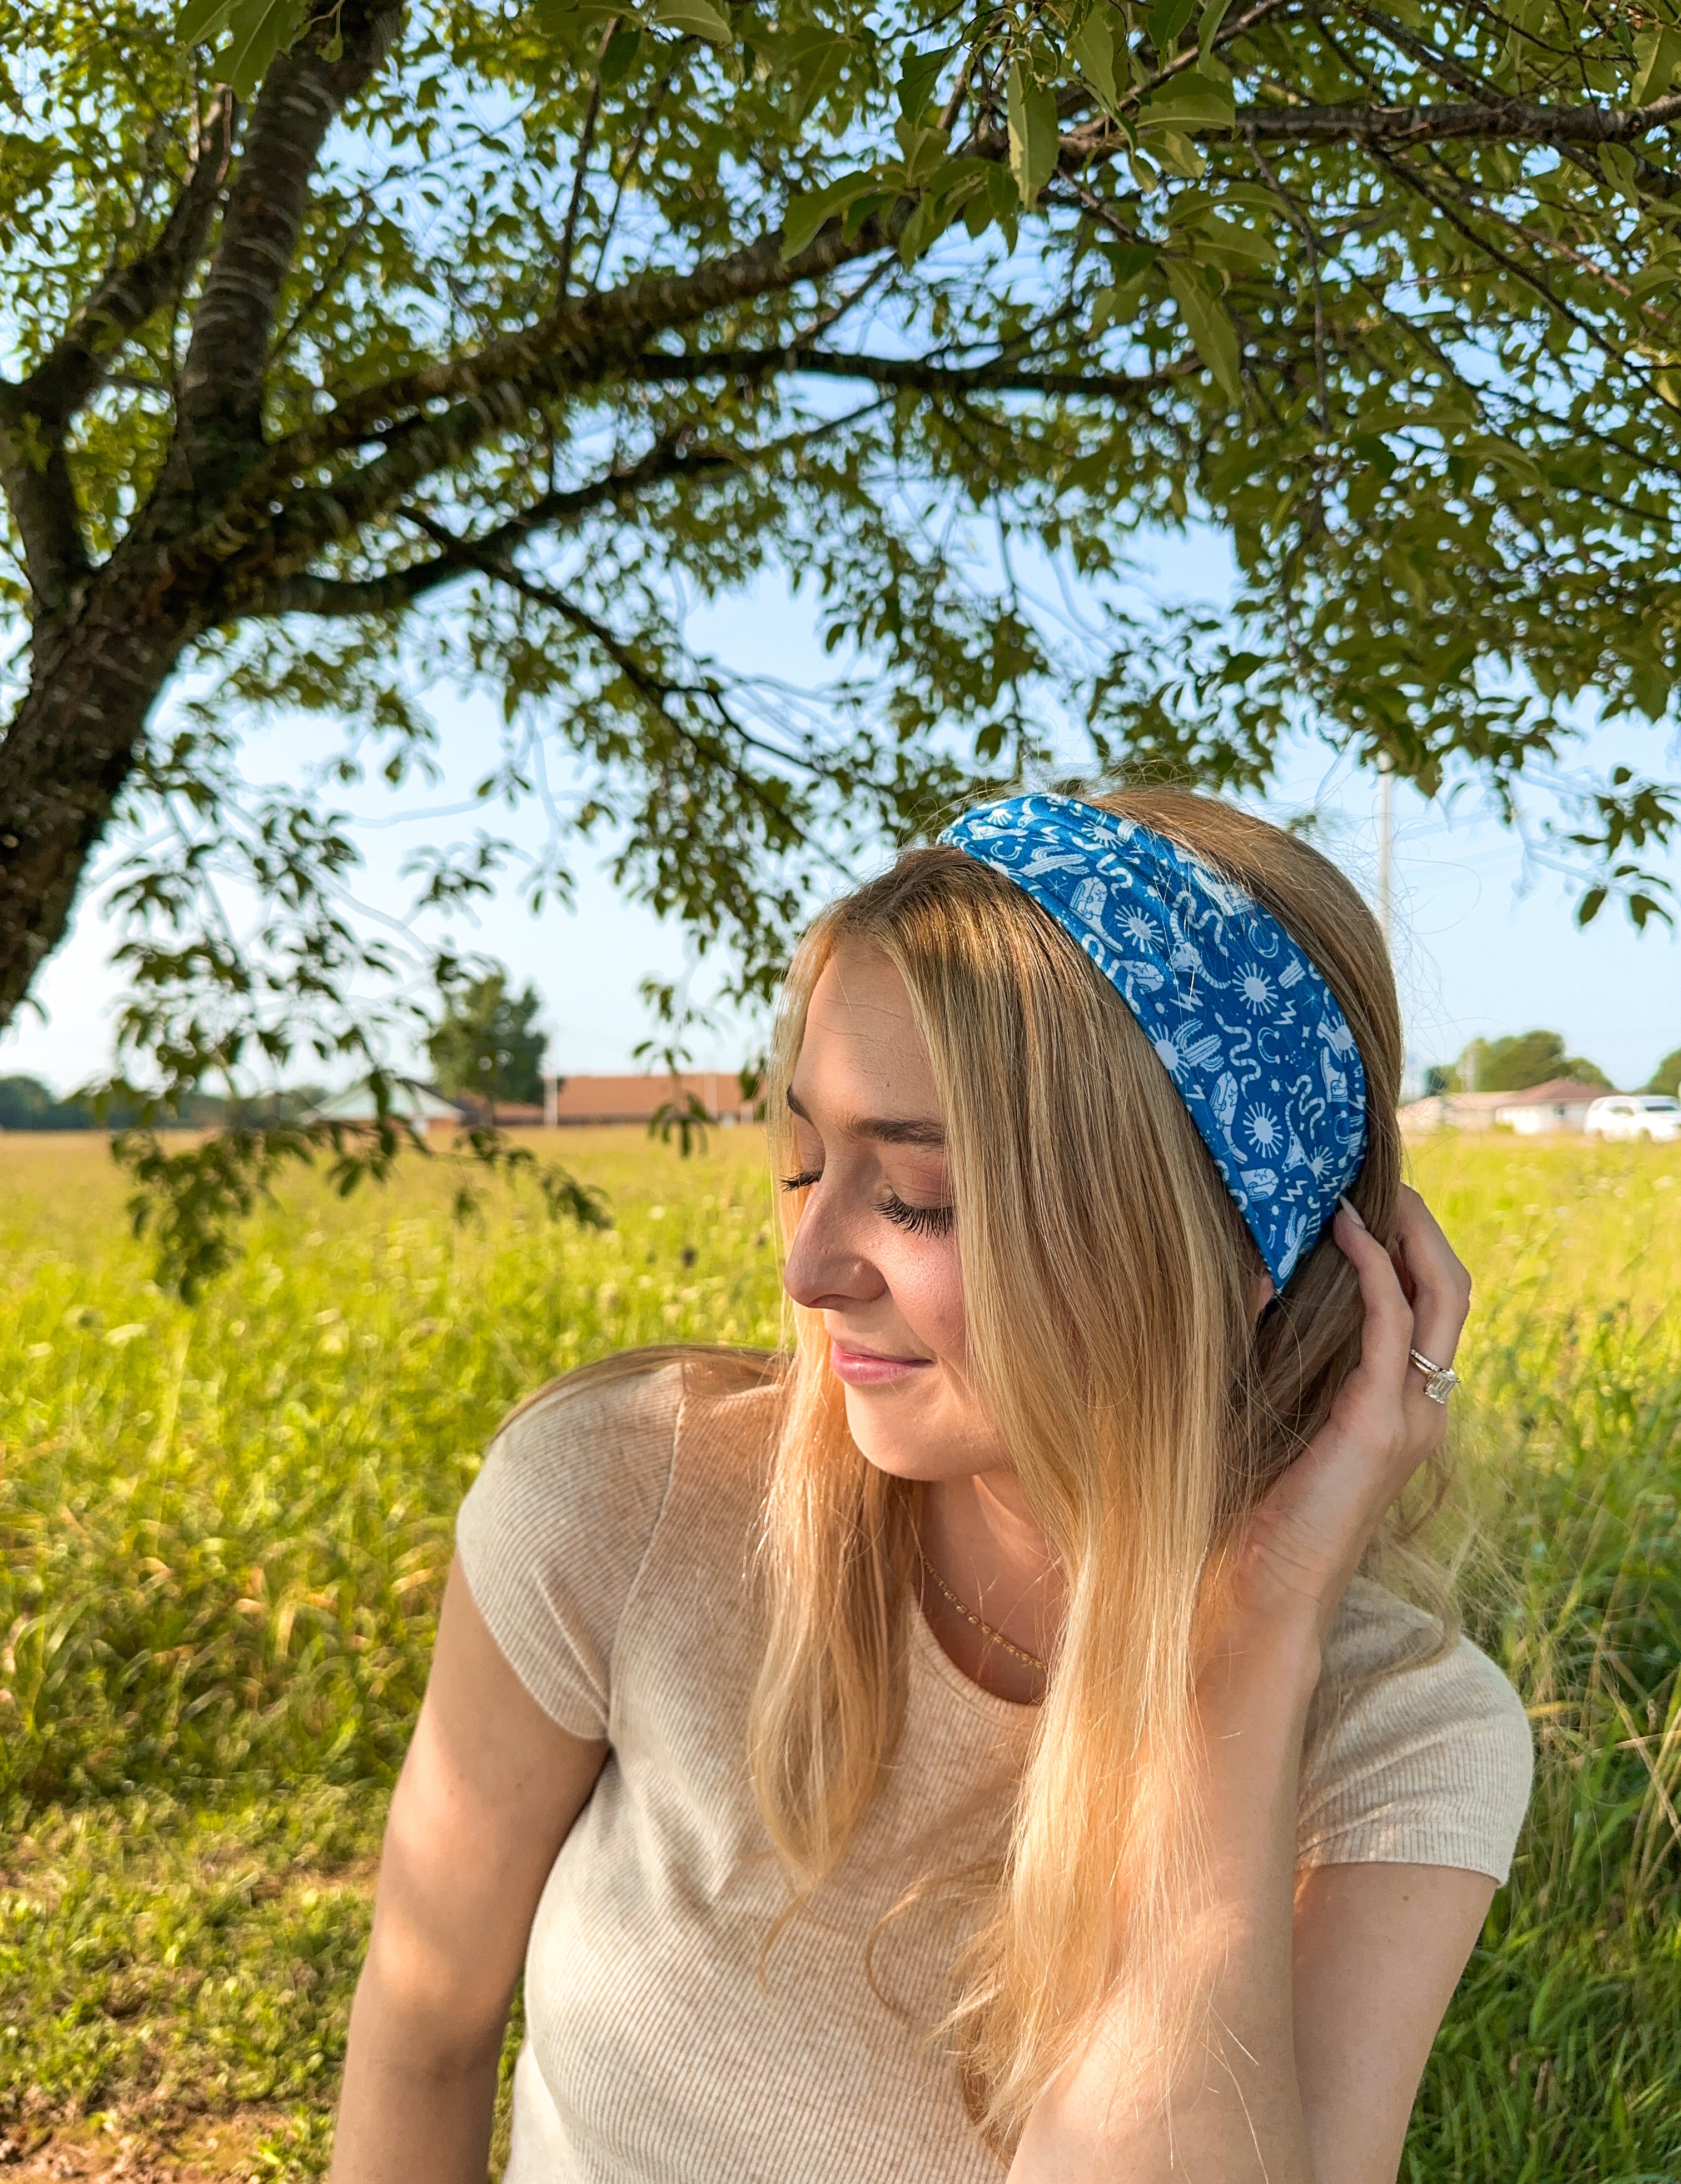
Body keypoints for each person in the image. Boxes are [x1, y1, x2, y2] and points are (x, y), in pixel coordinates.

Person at [330, 786, 1533, 2184]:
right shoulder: (623, 1502)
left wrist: (1247, 1644)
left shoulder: (1397, 1741)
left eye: (919, 1198)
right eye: (805, 1159)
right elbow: (420, 2036)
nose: (807, 1267)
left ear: (1229, 1251)